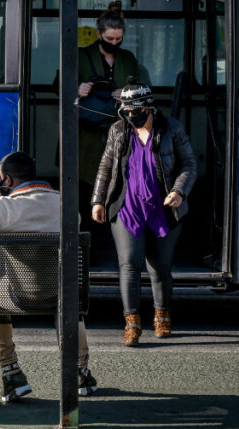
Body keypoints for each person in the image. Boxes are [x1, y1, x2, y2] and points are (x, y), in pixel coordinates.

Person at [0, 151, 99, 403]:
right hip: (63, 294)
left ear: (7, 181)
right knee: (68, 301)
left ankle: (11, 374)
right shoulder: (65, 205)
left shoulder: (6, 208)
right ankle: (80, 373)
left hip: (22, 296)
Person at [90, 79, 196, 346]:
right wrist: (98, 200)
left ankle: (162, 316)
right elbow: (105, 167)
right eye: (125, 111)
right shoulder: (118, 130)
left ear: (149, 108)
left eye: (134, 111)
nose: (130, 116)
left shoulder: (171, 128)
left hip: (164, 208)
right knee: (129, 265)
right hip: (127, 208)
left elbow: (189, 164)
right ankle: (132, 322)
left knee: (160, 268)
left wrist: (179, 190)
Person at [57, 1, 140, 264]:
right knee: (84, 196)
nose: (114, 43)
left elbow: (140, 92)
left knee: (116, 192)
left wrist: (125, 94)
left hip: (119, 135)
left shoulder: (127, 59)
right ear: (98, 35)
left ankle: (113, 249)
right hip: (85, 138)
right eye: (109, 39)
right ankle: (84, 253)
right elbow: (58, 84)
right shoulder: (80, 56)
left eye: (118, 39)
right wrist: (76, 88)